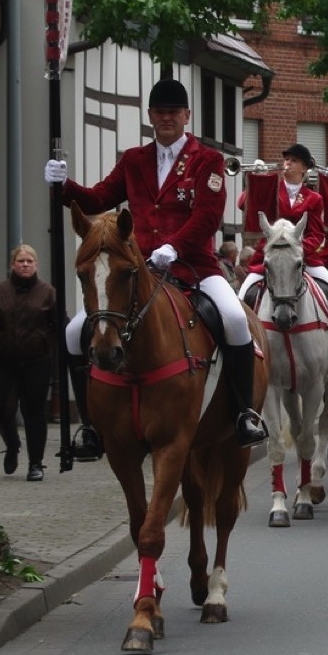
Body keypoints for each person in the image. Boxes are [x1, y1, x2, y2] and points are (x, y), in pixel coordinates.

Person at [44, 78, 267, 453]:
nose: (166, 118)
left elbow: (208, 216)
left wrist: (174, 247)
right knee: (74, 332)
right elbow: (99, 196)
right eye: (160, 112)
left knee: (233, 319)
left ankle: (244, 412)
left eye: (173, 112)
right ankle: (90, 427)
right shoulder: (134, 160)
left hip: (193, 268)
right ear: (150, 116)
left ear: (186, 116)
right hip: (139, 271)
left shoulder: (207, 160)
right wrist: (65, 185)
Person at [238, 143, 328, 384]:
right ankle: (245, 358)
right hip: (270, 258)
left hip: (303, 257)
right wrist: (254, 180)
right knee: (242, 297)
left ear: (305, 168)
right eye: (285, 159)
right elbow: (243, 204)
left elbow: (316, 233)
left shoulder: (314, 198)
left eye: (294, 161)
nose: (287, 163)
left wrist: (297, 251)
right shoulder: (269, 188)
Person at [0, 244, 56, 480]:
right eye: (20, 261)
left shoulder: (47, 292)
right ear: (12, 265)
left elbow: (59, 325)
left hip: (37, 360)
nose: (25, 265)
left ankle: (35, 464)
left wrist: (61, 357)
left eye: (29, 261)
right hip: (3, 360)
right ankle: (12, 445)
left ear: (36, 265)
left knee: (34, 411)